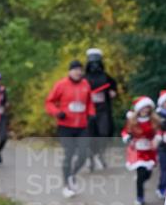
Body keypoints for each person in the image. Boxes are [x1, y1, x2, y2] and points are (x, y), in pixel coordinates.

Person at [45, 60, 95, 197]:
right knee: (69, 153)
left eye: (80, 70)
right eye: (75, 69)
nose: (78, 72)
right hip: (65, 126)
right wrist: (57, 112)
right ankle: (66, 186)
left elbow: (90, 103)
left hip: (82, 126)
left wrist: (91, 113)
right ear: (70, 71)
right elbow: (49, 102)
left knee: (84, 154)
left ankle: (72, 174)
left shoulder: (86, 84)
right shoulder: (61, 85)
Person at [122, 96, 161, 205]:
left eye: (147, 107)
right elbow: (125, 131)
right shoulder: (132, 120)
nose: (145, 110)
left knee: (147, 174)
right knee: (140, 174)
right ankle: (140, 197)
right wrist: (127, 137)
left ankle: (141, 180)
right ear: (138, 109)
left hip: (149, 151)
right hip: (137, 151)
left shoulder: (153, 120)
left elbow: (158, 131)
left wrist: (157, 138)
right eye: (143, 107)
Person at [84, 47, 118, 170]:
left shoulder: (106, 77)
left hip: (103, 110)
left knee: (104, 133)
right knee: (90, 135)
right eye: (92, 62)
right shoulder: (84, 78)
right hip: (89, 111)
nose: (95, 65)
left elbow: (113, 86)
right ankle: (90, 158)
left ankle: (100, 154)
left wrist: (113, 91)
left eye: (97, 62)